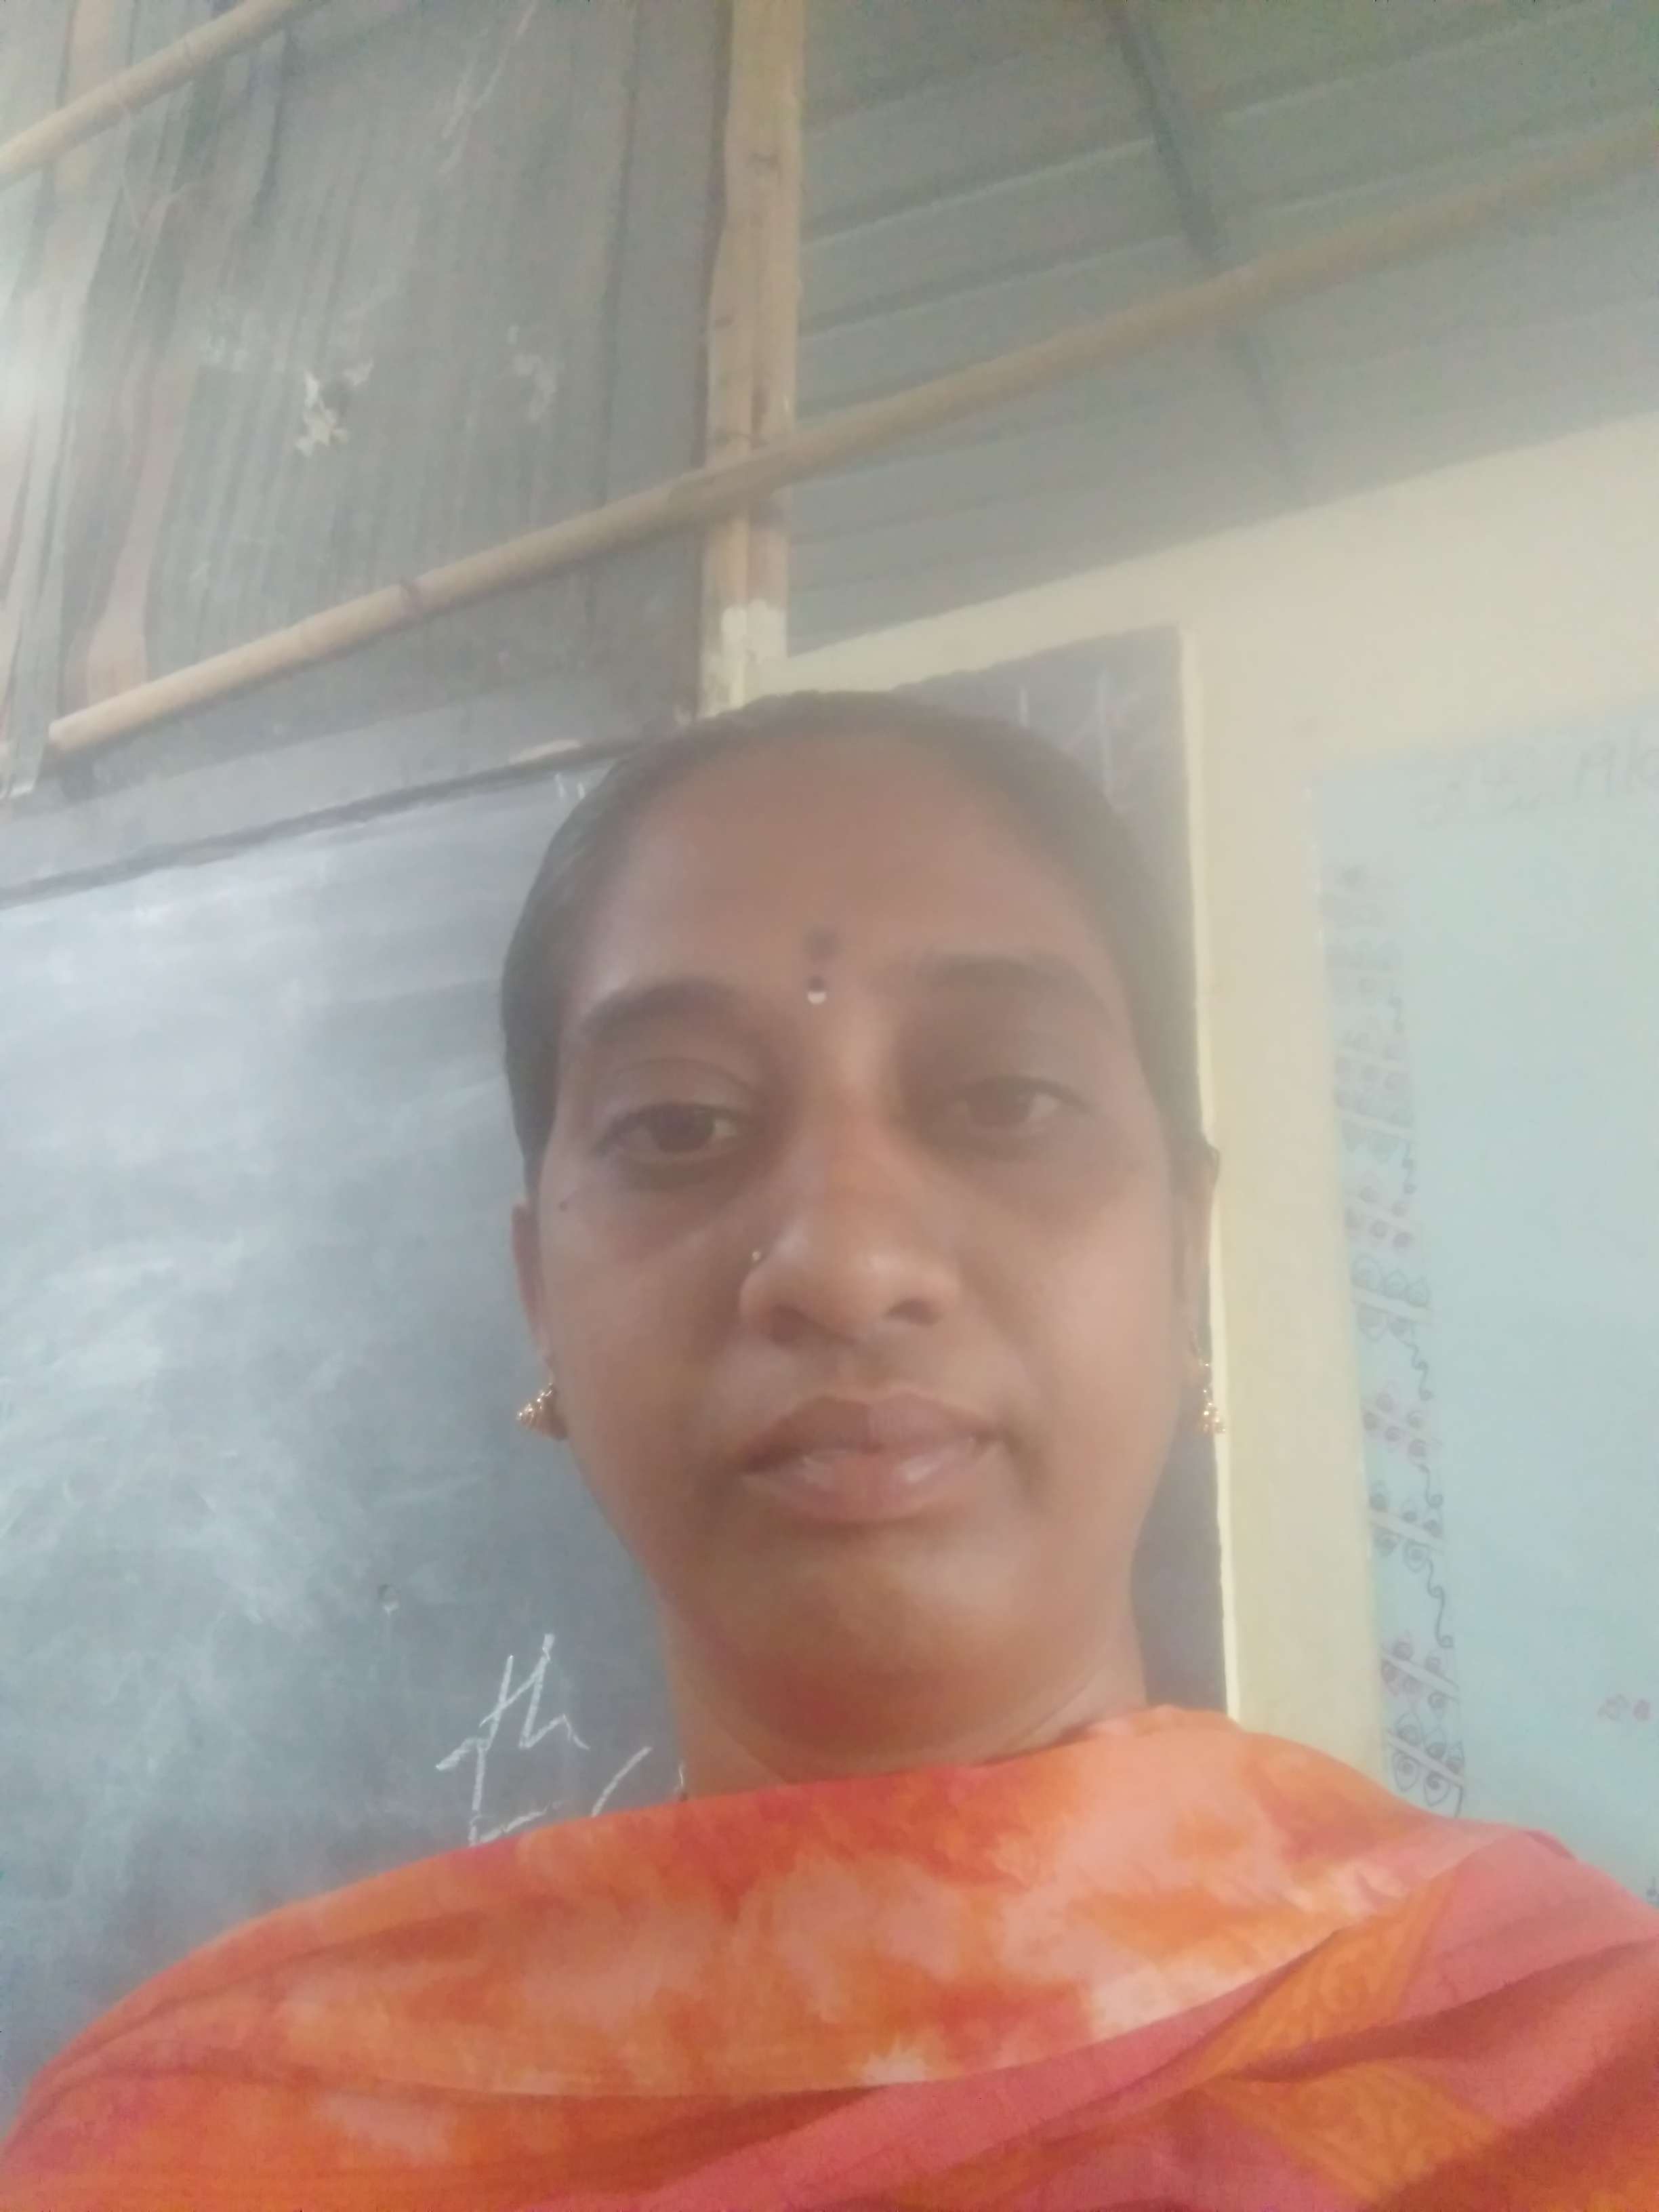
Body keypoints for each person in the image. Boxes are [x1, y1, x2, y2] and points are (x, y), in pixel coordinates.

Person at [3, 693, 1656, 2210]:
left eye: (1005, 1098)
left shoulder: (1573, 2062)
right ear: (541, 1306)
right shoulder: (193, 2154)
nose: (847, 1264)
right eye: (680, 1125)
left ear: (1183, 1252)